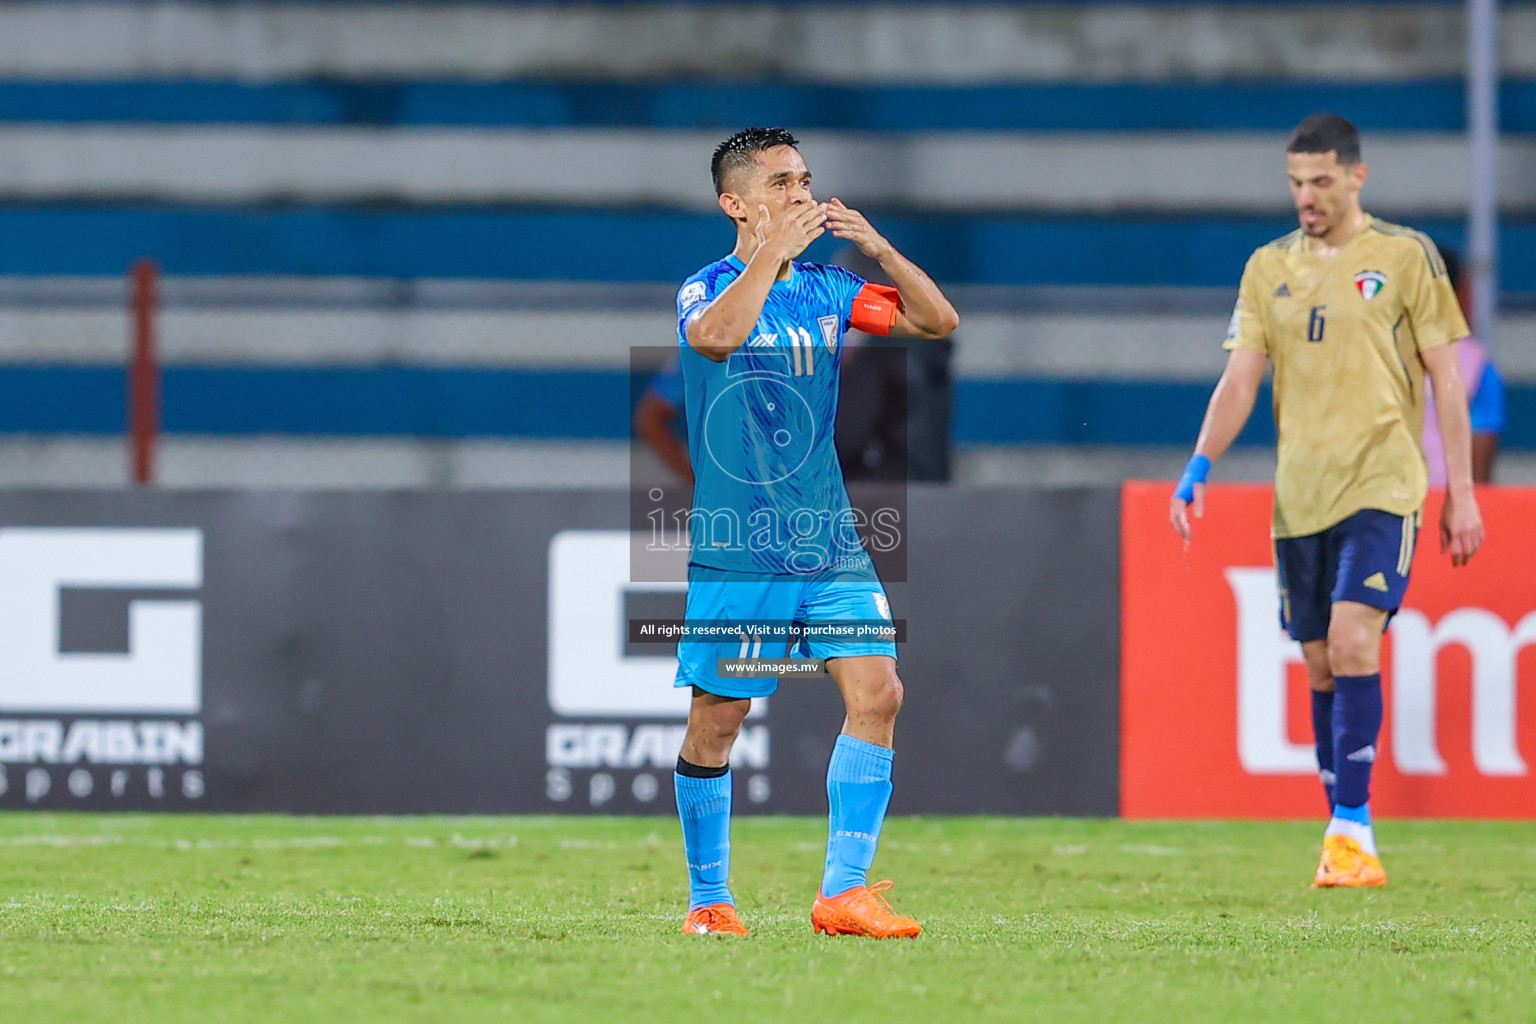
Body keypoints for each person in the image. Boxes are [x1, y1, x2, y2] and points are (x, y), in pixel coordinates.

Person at [1169, 114, 1484, 888]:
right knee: (1318, 666)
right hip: (1299, 497)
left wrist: (1462, 494)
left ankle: (1353, 825)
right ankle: (1343, 824)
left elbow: (1447, 375)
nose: (1306, 198)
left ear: (1356, 177)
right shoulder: (1266, 267)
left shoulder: (1406, 259)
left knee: (1351, 642)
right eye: (1296, 184)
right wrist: (1199, 464)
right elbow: (1241, 377)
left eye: (1320, 182)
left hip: (1384, 484)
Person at [671, 127, 958, 937]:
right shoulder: (705, 288)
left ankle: (844, 892)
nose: (802, 195)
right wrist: (770, 254)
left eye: (805, 181)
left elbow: (937, 321)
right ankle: (709, 900)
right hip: (740, 544)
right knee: (718, 723)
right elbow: (717, 337)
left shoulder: (833, 289)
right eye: (782, 184)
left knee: (881, 693)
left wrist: (881, 249)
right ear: (735, 203)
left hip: (828, 537)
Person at [1423, 245, 1505, 485]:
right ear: (1459, 295)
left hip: (1387, 508)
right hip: (1447, 502)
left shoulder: (1379, 354)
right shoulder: (1476, 366)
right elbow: (1482, 447)